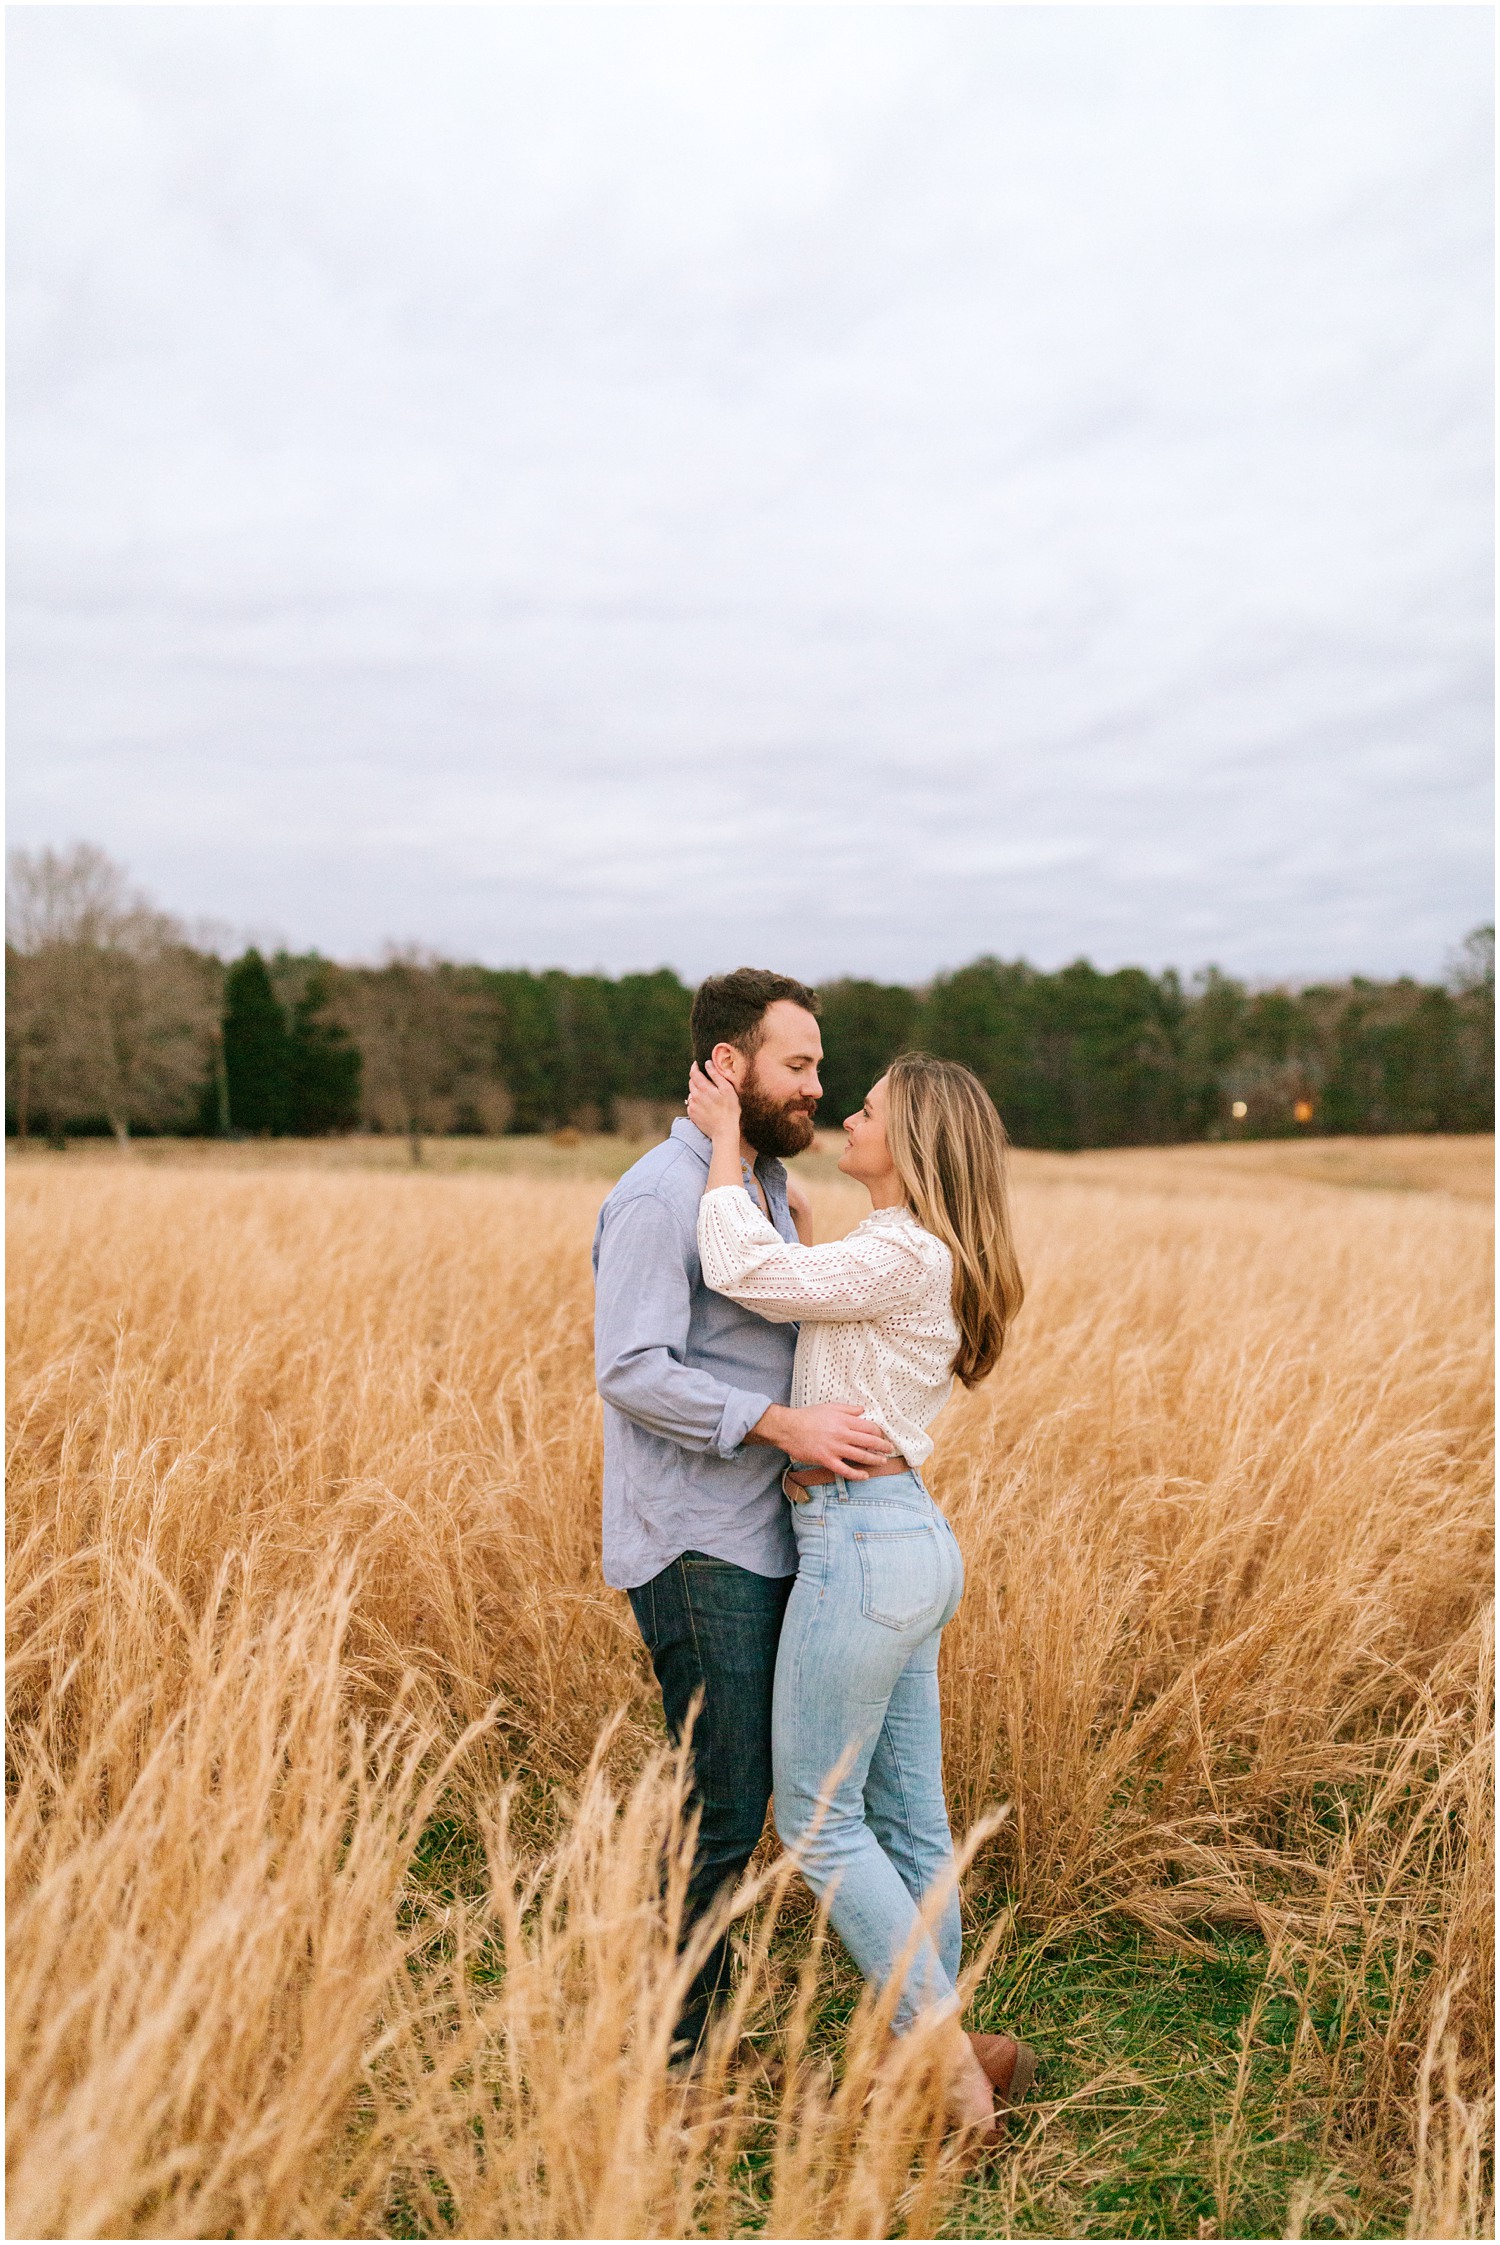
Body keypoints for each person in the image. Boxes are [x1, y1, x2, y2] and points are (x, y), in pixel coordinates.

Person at [686, 1048, 1035, 2139]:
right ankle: (944, 2051)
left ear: (914, 1139)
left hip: (862, 1543)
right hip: (906, 1538)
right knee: (911, 1818)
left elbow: (750, 1271)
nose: (848, 1112)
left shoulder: (900, 1251)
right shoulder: (917, 1253)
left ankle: (948, 2076)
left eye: (870, 1106)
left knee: (820, 1823)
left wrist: (725, 1148)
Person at [592, 968, 892, 2065]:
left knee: (742, 1799)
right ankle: (672, 2062)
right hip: (693, 1541)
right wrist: (780, 1425)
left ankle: (697, 2028)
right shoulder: (658, 1196)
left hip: (762, 1536)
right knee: (723, 1804)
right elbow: (629, 1369)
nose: (820, 1086)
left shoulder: (754, 1187)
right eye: (798, 1065)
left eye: (819, 1067)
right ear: (730, 1065)